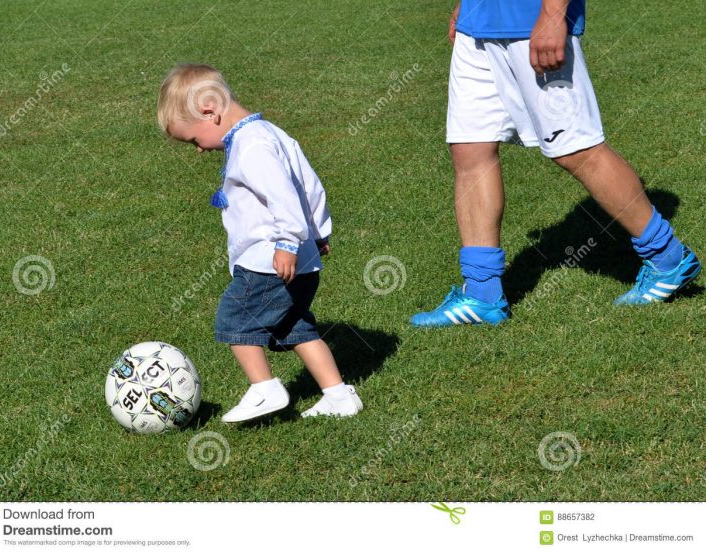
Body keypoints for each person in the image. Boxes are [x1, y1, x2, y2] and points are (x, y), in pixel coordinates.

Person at [411, 0, 700, 327]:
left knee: (576, 149)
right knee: (469, 148)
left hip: (530, 19)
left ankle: (667, 257)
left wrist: (552, 14)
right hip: (478, 24)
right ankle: (482, 293)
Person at [157, 63, 363, 421]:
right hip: (301, 258)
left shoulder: (251, 147)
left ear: (210, 111)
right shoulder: (269, 133)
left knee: (234, 318)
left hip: (269, 261)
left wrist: (287, 241)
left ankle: (264, 388)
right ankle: (339, 396)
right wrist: (316, 234)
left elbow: (283, 194)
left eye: (193, 139)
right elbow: (309, 185)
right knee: (295, 327)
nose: (199, 150)